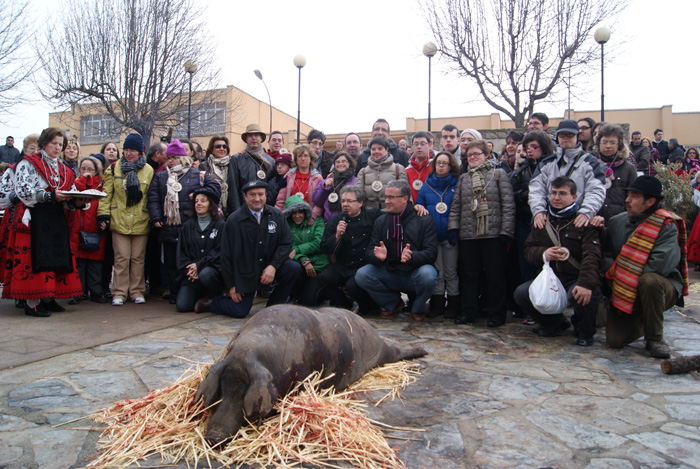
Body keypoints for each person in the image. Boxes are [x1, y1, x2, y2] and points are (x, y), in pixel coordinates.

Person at [600, 176, 688, 358]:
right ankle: (646, 318)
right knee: (615, 340)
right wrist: (595, 228)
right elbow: (603, 248)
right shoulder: (617, 222)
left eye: (634, 196)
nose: (627, 200)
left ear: (650, 201)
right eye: (627, 195)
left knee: (650, 281)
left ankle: (654, 338)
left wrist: (624, 280)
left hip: (659, 287)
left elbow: (660, 266)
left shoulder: (666, 225)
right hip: (625, 287)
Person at [2, 127, 84, 317]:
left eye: (60, 144)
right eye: (54, 144)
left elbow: (68, 193)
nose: (58, 148)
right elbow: (24, 191)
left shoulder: (63, 167)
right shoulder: (28, 163)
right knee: (35, 260)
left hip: (55, 218)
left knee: (54, 257)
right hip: (34, 218)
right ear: (43, 144)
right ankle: (32, 303)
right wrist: (50, 196)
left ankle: (49, 298)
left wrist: (78, 202)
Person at [514, 177, 601, 346]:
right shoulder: (542, 220)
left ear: (574, 197)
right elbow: (529, 251)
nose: (556, 197)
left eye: (562, 193)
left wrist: (586, 283)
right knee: (522, 293)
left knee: (585, 293)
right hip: (552, 278)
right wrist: (544, 253)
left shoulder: (584, 221)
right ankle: (554, 323)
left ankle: (584, 330)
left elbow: (592, 256)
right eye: (553, 193)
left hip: (575, 278)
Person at [211, 180, 302, 318]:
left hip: (268, 268)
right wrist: (231, 286)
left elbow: (286, 243)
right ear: (245, 197)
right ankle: (213, 302)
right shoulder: (234, 220)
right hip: (245, 274)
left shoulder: (277, 216)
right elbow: (226, 255)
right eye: (252, 194)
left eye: (261, 194)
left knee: (293, 268)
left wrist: (273, 266)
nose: (257, 198)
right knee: (240, 311)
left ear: (266, 196)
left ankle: (274, 307)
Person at [448, 140, 515, 327]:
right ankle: (469, 310)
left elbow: (508, 205)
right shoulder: (464, 178)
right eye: (470, 155)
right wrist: (453, 227)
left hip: (492, 234)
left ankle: (496, 313)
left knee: (495, 276)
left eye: (477, 154)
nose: (473, 158)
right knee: (469, 275)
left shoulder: (498, 174)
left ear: (486, 155)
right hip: (469, 234)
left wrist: (506, 231)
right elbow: (456, 205)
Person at [147, 139, 220, 304]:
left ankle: (194, 290)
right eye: (169, 157)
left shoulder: (196, 174)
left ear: (183, 157)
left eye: (175, 157)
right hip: (169, 226)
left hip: (189, 226)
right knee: (172, 263)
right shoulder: (161, 176)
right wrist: (157, 217)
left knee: (190, 259)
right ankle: (175, 292)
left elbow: (214, 188)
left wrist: (198, 193)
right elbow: (153, 199)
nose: (171, 160)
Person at [355, 180, 438, 322]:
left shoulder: (423, 219)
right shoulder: (381, 221)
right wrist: (379, 257)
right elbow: (369, 250)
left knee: (428, 275)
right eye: (385, 197)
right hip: (389, 270)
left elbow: (431, 252)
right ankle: (391, 303)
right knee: (362, 274)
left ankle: (418, 308)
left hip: (414, 272)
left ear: (405, 198)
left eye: (391, 197)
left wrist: (412, 256)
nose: (386, 201)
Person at [97, 133, 154, 306]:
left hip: (140, 220)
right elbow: (106, 194)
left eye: (133, 150)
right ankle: (119, 292)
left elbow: (151, 196)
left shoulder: (148, 170)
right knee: (121, 258)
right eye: (126, 150)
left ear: (140, 152)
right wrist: (103, 214)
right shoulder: (114, 168)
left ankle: (137, 291)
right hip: (119, 219)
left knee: (138, 258)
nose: (129, 153)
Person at [509, 130, 555, 324]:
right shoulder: (521, 171)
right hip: (525, 222)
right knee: (525, 263)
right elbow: (513, 193)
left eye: (534, 147)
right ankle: (527, 307)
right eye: (527, 147)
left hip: (549, 223)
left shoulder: (553, 166)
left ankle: (548, 305)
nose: (529, 151)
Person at [529, 119, 606, 231]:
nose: (565, 138)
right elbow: (536, 189)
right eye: (562, 135)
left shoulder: (590, 163)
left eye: (570, 135)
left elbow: (596, 190)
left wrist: (586, 212)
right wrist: (539, 211)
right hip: (549, 220)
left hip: (578, 220)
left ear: (577, 136)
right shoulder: (547, 163)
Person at [317, 186, 380, 315]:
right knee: (324, 278)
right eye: (343, 201)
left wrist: (415, 208)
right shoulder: (335, 221)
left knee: (353, 285)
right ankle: (344, 305)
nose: (345, 204)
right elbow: (324, 246)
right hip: (342, 264)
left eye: (350, 201)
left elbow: (392, 214)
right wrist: (337, 236)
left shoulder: (371, 216)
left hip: (361, 265)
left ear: (360, 203)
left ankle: (366, 307)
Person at [415, 151, 460, 318]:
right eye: (438, 163)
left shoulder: (457, 185)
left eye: (445, 163)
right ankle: (438, 303)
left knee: (451, 271)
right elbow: (419, 204)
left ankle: (454, 304)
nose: (441, 166)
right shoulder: (427, 186)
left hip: (450, 236)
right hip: (433, 237)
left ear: (451, 166)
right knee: (438, 271)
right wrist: (418, 207)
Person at [175, 188, 225, 313]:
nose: (199, 204)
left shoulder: (220, 225)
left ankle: (216, 297)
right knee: (182, 306)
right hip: (192, 274)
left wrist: (199, 265)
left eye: (203, 201)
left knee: (206, 274)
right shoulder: (187, 227)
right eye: (196, 201)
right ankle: (202, 298)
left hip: (211, 272)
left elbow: (220, 251)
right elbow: (181, 253)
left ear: (211, 204)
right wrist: (191, 270)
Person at [67, 156, 108, 304]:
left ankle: (96, 292)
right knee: (79, 264)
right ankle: (79, 292)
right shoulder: (73, 186)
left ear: (97, 171)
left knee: (95, 265)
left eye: (90, 169)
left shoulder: (101, 188)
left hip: (96, 231)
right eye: (83, 169)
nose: (86, 172)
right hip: (77, 231)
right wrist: (83, 181)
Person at [283, 195, 329, 305]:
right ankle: (295, 293)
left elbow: (318, 243)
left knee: (309, 301)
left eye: (300, 212)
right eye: (294, 213)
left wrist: (298, 249)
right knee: (291, 267)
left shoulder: (317, 222)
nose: (297, 216)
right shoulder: (287, 226)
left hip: (318, 266)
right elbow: (289, 249)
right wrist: (304, 260)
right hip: (302, 264)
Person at [593, 124, 637, 222]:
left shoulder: (629, 168)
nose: (608, 146)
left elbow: (634, 197)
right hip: (593, 220)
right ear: (598, 144)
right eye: (604, 142)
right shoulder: (591, 165)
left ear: (619, 144)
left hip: (620, 221)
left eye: (612, 143)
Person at [228, 124, 275, 214]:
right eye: (250, 135)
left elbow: (272, 189)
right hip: (243, 210)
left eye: (256, 135)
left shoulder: (270, 161)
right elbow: (233, 188)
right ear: (246, 139)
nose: (254, 138)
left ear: (261, 138)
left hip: (264, 210)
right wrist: (237, 213)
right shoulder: (237, 159)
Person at [356, 136, 408, 210]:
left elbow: (405, 193)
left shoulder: (398, 169)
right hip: (369, 214)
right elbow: (358, 195)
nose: (376, 151)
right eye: (373, 149)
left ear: (386, 149)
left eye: (380, 148)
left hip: (391, 212)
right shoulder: (363, 172)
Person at [275, 144, 324, 220]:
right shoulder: (288, 176)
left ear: (311, 158)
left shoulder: (318, 178)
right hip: (290, 218)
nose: (303, 158)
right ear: (296, 159)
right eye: (300, 156)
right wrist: (278, 217)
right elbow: (281, 200)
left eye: (306, 155)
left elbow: (320, 202)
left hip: (309, 219)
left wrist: (312, 217)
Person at [313, 151, 356, 222]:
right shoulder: (327, 181)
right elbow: (317, 201)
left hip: (349, 221)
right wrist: (325, 188)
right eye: (337, 162)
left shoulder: (356, 181)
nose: (340, 164)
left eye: (344, 161)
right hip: (330, 223)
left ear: (349, 163)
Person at [200, 135, 231, 214]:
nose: (222, 149)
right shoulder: (204, 165)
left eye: (224, 146)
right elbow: (201, 185)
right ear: (212, 150)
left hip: (230, 206)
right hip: (212, 206)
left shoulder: (232, 164)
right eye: (218, 146)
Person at [406, 131, 433, 201]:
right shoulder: (406, 171)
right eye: (416, 144)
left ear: (430, 145)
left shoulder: (435, 168)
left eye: (422, 144)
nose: (419, 147)